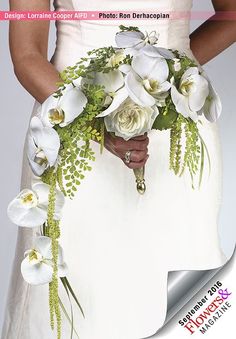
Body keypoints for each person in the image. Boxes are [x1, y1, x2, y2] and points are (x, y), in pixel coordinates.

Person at [2, 0, 236, 338]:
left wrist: (169, 69)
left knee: (173, 291)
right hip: (72, 122)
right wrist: (96, 126)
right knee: (83, 296)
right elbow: (26, 54)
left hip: (174, 126)